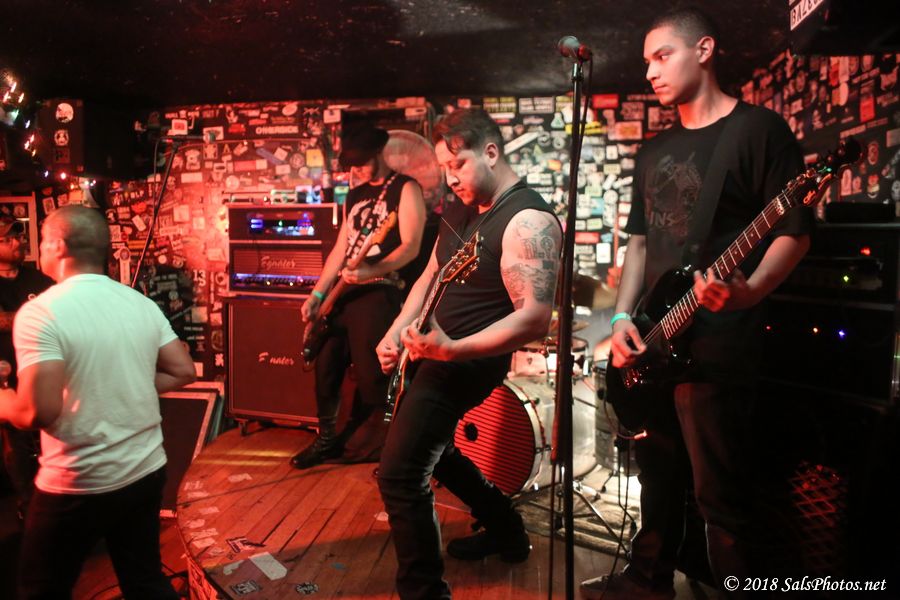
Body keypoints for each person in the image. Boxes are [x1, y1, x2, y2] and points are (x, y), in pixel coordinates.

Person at [581, 8, 812, 600]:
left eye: (662, 56)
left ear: (704, 50)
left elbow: (794, 232)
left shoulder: (757, 131)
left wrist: (749, 291)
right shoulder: (653, 151)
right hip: (655, 339)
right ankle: (649, 579)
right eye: (646, 62)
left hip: (718, 345)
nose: (650, 72)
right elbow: (637, 244)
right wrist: (623, 318)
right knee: (656, 478)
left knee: (720, 494)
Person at [375, 108, 562, 599]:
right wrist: (396, 331)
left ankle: (424, 592)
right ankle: (507, 530)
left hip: (465, 362)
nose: (450, 178)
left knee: (400, 474)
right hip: (432, 351)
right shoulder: (461, 206)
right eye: (444, 167)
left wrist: (452, 349)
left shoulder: (527, 220)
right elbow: (431, 274)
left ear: (491, 152)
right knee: (436, 454)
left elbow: (534, 317)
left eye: (457, 165)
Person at [0, 205, 197, 599]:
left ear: (58, 245)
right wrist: (121, 385)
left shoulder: (40, 313)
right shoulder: (138, 302)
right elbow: (183, 371)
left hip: (78, 481)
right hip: (145, 470)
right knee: (144, 581)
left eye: (43, 238)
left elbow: (36, 411)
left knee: (40, 591)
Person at [290, 122, 426, 469]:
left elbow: (411, 246)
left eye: (362, 162)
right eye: (352, 164)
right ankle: (326, 439)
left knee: (372, 375)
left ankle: (392, 448)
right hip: (345, 293)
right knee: (326, 364)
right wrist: (318, 293)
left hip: (381, 289)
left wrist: (372, 270)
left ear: (380, 153)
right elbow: (342, 249)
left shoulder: (406, 188)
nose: (357, 170)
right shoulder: (355, 194)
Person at [0, 214, 54, 520]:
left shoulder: (39, 280)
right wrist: (33, 316)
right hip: (4, 377)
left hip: (40, 371)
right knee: (15, 443)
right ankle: (27, 505)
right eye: (8, 238)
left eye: (19, 236)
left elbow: (58, 317)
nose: (18, 242)